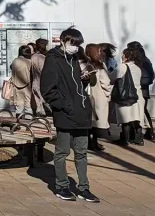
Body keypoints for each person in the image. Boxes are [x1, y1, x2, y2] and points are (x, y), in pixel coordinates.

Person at [41, 27, 99, 203]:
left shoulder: (74, 59)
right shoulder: (53, 60)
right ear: (63, 41)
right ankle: (62, 186)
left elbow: (75, 85)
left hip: (81, 112)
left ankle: (84, 188)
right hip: (66, 113)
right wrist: (65, 106)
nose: (75, 48)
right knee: (62, 151)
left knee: (81, 152)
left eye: (78, 45)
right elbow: (48, 90)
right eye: (72, 44)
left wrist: (85, 79)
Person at [115, 45, 146, 146]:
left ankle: (124, 139)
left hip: (125, 96)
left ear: (127, 56)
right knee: (136, 118)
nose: (122, 56)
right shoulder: (137, 68)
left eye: (123, 54)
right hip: (137, 96)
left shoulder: (122, 67)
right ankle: (138, 138)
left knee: (125, 119)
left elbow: (113, 77)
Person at [83, 43, 112, 152]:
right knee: (97, 121)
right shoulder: (100, 66)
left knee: (90, 121)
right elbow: (106, 83)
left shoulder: (86, 65)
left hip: (88, 96)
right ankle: (94, 142)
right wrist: (108, 94)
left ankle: (89, 142)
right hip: (99, 97)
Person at [126, 41, 155, 141]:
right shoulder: (146, 60)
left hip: (138, 89)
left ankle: (138, 134)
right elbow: (151, 77)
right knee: (143, 111)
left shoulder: (138, 62)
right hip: (144, 90)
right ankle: (149, 132)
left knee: (137, 112)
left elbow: (147, 77)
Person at [6, 45, 33, 116]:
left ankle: (18, 122)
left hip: (16, 85)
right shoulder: (29, 62)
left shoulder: (15, 61)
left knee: (19, 105)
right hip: (27, 86)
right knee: (28, 104)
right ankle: (28, 121)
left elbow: (11, 67)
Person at [30, 38, 48, 115]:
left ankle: (40, 117)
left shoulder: (32, 57)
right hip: (43, 83)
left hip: (35, 83)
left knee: (39, 104)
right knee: (45, 102)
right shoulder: (43, 58)